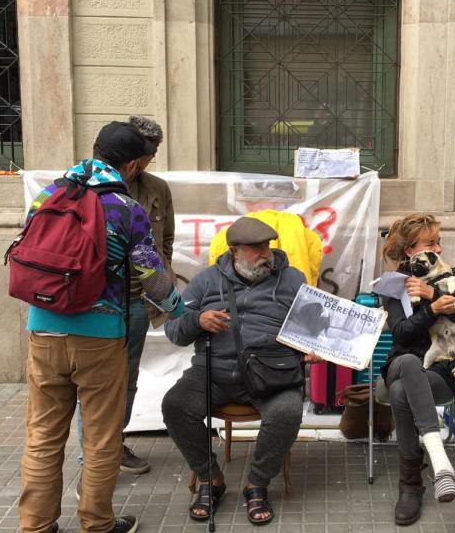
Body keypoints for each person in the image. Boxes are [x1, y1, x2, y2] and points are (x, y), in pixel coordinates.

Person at [18, 122, 185, 533]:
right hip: (100, 336)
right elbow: (154, 278)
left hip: (43, 330)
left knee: (42, 434)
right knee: (101, 437)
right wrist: (182, 309)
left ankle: (35, 526)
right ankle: (97, 523)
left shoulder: (48, 195)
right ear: (131, 165)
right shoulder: (127, 210)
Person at [161, 216, 321, 526]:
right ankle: (211, 479)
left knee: (287, 411)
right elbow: (174, 331)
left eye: (268, 247)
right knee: (175, 405)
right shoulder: (206, 281)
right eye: (256, 248)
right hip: (213, 373)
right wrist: (197, 320)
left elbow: (313, 327)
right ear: (235, 251)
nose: (266, 254)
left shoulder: (292, 279)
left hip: (271, 373)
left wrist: (311, 347)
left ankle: (257, 483)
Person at [73, 116, 176, 484]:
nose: (150, 159)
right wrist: (179, 307)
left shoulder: (59, 189)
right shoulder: (100, 196)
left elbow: (163, 246)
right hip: (94, 305)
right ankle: (95, 464)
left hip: (131, 305)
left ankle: (110, 446)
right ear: (132, 157)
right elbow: (150, 267)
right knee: (97, 386)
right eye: (146, 153)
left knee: (124, 382)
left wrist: (159, 292)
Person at [379, 214, 455, 526]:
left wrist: (435, 295)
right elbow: (401, 335)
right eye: (430, 242)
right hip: (402, 362)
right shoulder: (394, 286)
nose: (439, 246)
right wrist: (431, 311)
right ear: (411, 251)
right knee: (408, 363)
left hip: (441, 371)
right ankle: (439, 461)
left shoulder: (452, 276)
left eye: (438, 241)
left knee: (401, 393)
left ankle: (410, 486)